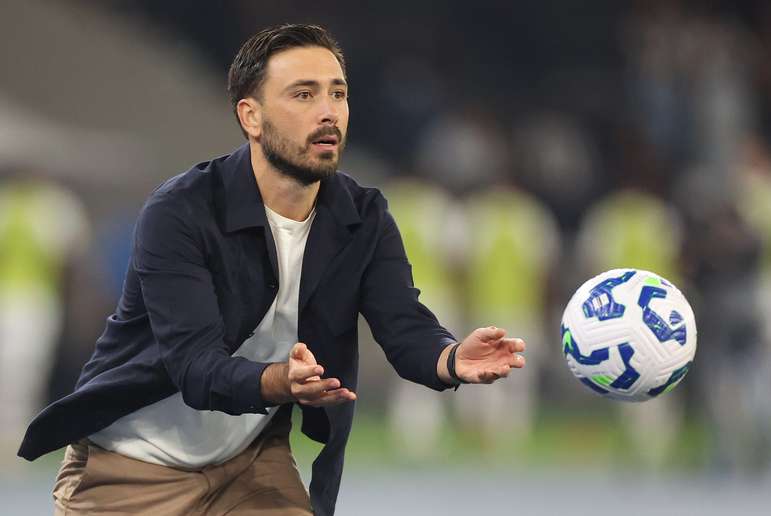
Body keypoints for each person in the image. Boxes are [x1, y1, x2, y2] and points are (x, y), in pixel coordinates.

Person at [18, 24, 526, 516]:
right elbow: (195, 367)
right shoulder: (181, 212)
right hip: (131, 464)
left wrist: (450, 357)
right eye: (303, 95)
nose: (328, 112)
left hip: (248, 465)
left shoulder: (362, 215)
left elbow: (403, 323)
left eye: (338, 94)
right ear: (252, 117)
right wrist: (280, 380)